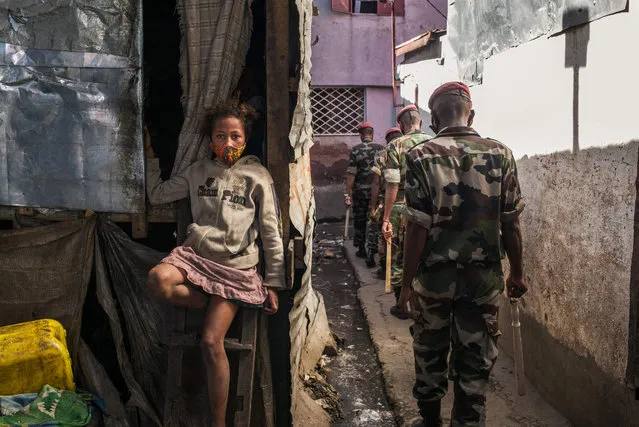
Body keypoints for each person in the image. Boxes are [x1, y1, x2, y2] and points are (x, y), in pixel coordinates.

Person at [145, 100, 285, 427]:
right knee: (157, 280)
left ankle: (219, 422)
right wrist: (151, 158)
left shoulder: (257, 177)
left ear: (245, 140)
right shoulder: (197, 172)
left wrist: (273, 284)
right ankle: (211, 303)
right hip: (196, 259)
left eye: (235, 136)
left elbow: (271, 233)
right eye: (220, 136)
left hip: (236, 268)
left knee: (211, 341)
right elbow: (158, 194)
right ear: (210, 140)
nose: (228, 144)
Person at [400, 82, 527, 426]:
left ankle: (429, 422)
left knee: (429, 354)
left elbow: (416, 228)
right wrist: (517, 273)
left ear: (434, 118)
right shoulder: (501, 154)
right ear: (471, 113)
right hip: (482, 282)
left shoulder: (420, 156)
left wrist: (406, 283)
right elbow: (511, 224)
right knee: (476, 361)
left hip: (434, 282)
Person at [381, 106, 430, 319]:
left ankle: (402, 304)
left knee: (401, 254)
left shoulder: (395, 145)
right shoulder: (434, 143)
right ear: (420, 122)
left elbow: (392, 184)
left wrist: (385, 218)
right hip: (431, 208)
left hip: (403, 206)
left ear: (401, 125)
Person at [345, 122, 383, 258]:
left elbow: (351, 174)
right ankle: (374, 250)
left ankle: (361, 249)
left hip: (360, 193)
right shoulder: (381, 149)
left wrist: (347, 194)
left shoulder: (356, 150)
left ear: (361, 135)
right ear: (372, 134)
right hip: (376, 193)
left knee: (359, 221)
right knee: (374, 220)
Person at [369, 127, 403, 274]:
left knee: (384, 236)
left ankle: (385, 269)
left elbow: (376, 183)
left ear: (387, 140)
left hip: (387, 201)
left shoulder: (382, 155)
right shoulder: (411, 150)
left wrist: (372, 206)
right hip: (408, 201)